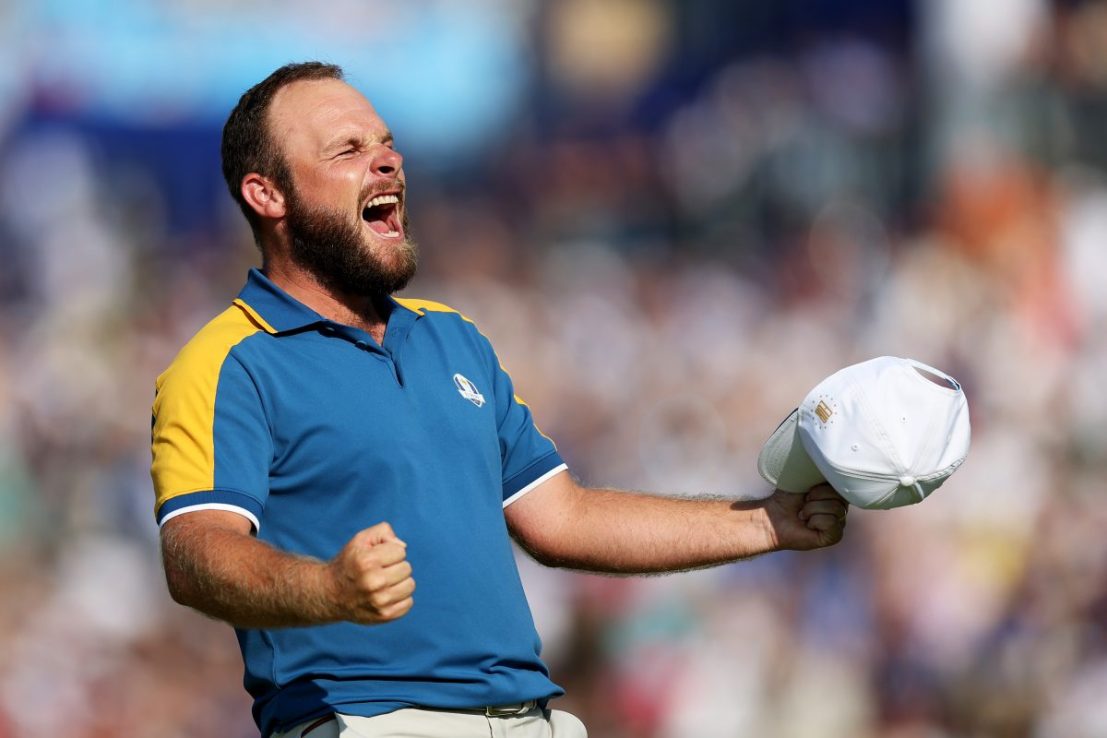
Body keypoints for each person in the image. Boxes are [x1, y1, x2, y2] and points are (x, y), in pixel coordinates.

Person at [150, 61, 850, 738]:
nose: (388, 161)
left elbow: (562, 518)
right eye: (348, 149)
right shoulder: (227, 361)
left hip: (527, 718)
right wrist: (327, 589)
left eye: (387, 143)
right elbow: (194, 552)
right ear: (266, 195)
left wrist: (768, 524)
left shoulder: (451, 339)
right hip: (368, 720)